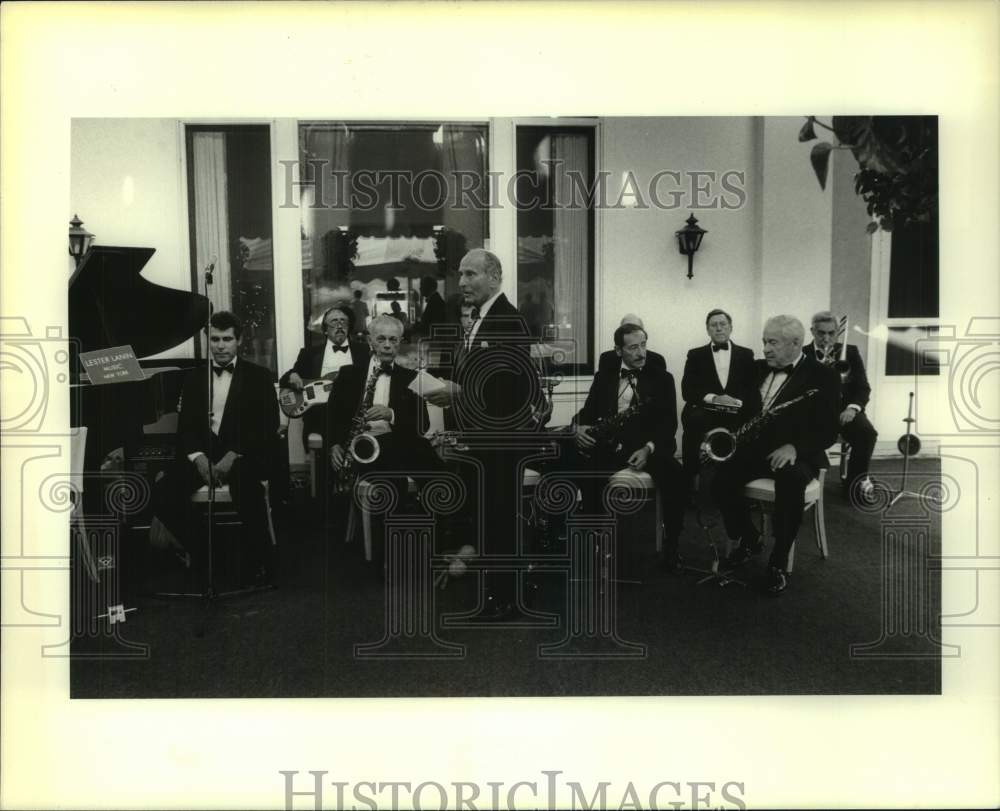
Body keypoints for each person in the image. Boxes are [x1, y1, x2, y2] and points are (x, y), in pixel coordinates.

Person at [423, 248, 542, 619]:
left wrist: (458, 391)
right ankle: (496, 591)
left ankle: (505, 600)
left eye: (471, 274)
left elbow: (508, 388)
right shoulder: (479, 319)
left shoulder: (510, 320)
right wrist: (451, 389)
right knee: (487, 515)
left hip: (504, 441)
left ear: (495, 277)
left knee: (501, 517)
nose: (462, 282)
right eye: (460, 275)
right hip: (482, 439)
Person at [710, 315, 840, 595]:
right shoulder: (756, 369)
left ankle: (778, 561)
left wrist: (795, 448)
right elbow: (743, 412)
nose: (766, 349)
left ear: (796, 344)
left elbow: (829, 430)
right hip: (756, 450)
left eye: (773, 343)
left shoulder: (823, 375)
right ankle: (750, 537)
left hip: (799, 454)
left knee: (790, 481)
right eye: (764, 342)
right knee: (718, 477)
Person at [152, 311, 279, 585]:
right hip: (203, 454)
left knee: (248, 490)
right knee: (162, 494)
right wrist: (198, 459)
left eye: (228, 339)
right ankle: (209, 551)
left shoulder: (259, 376)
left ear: (239, 341)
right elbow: (185, 427)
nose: (221, 346)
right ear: (209, 340)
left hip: (243, 454)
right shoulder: (194, 377)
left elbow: (267, 427)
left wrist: (232, 456)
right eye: (216, 339)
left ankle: (259, 560)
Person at [558, 322, 686, 570]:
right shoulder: (604, 376)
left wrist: (648, 448)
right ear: (619, 351)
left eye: (644, 345)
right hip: (610, 445)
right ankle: (594, 541)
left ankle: (672, 545)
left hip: (647, 447)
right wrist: (577, 428)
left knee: (676, 475)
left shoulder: (663, 378)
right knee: (587, 469)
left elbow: (669, 423)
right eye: (633, 348)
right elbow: (587, 412)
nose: (641, 353)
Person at [327, 315, 442, 496]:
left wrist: (392, 414)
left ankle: (437, 520)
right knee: (394, 482)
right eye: (381, 339)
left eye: (393, 340)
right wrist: (334, 445)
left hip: (399, 444)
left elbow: (423, 425)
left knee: (438, 475)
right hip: (361, 448)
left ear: (399, 343)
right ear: (370, 341)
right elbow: (331, 415)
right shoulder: (348, 373)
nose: (387, 345)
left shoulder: (411, 378)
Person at [802, 311, 877, 500]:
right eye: (821, 333)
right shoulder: (803, 354)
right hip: (812, 414)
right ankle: (804, 482)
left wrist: (852, 408)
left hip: (844, 412)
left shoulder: (850, 352)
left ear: (837, 333)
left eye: (831, 333)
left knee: (867, 433)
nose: (826, 338)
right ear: (812, 331)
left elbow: (862, 388)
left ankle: (853, 485)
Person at [679, 308, 757, 491]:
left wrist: (735, 402)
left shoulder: (747, 354)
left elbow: (752, 389)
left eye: (723, 324)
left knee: (753, 425)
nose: (719, 328)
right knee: (692, 421)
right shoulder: (695, 354)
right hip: (706, 412)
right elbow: (687, 390)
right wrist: (714, 398)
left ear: (731, 328)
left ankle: (741, 483)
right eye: (714, 325)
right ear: (707, 330)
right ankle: (690, 483)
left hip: (737, 413)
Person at [279, 304, 370, 452]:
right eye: (334, 321)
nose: (339, 325)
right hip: (321, 419)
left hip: (353, 416)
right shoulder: (309, 354)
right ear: (325, 329)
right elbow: (285, 379)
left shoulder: (363, 351)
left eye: (343, 321)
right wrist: (293, 375)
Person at [597, 314, 667, 374]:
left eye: (637, 329)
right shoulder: (606, 358)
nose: (641, 353)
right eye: (627, 330)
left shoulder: (657, 360)